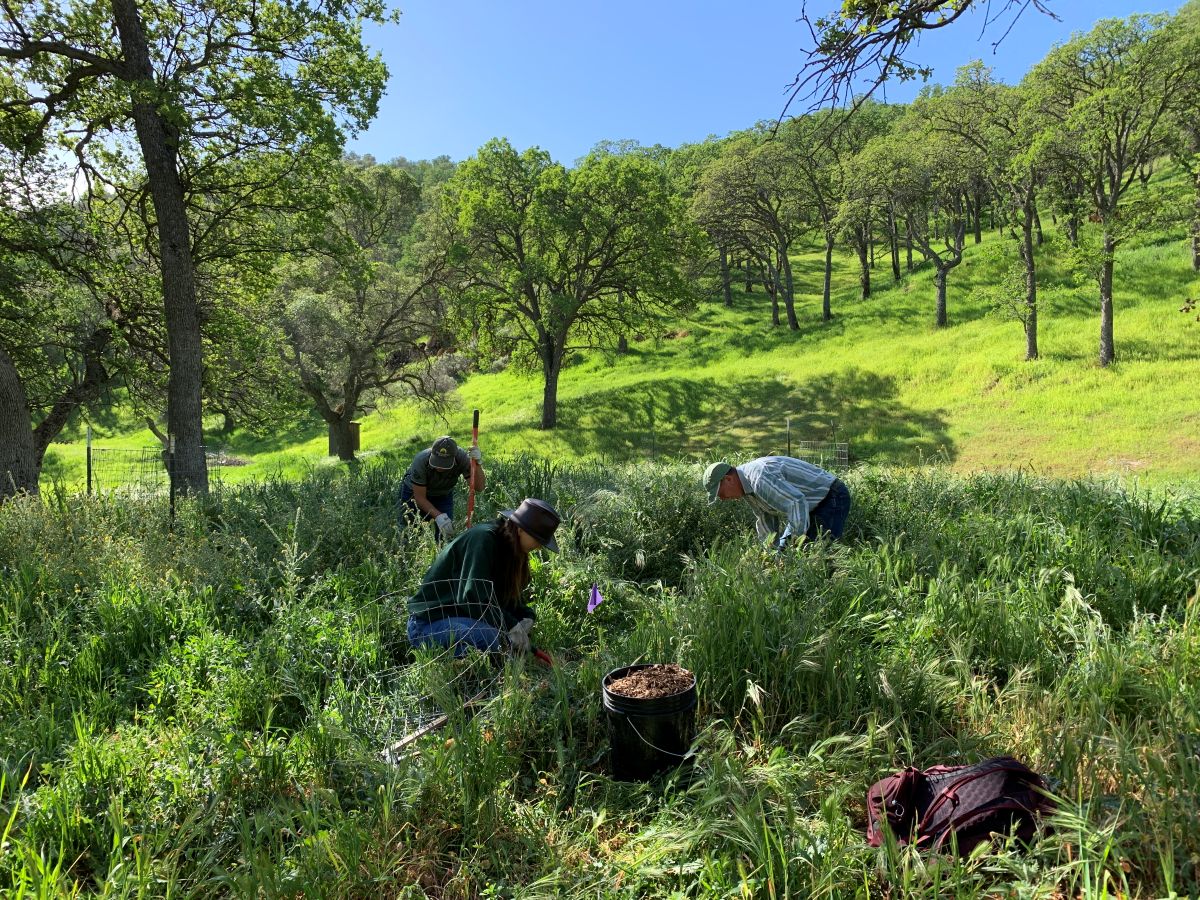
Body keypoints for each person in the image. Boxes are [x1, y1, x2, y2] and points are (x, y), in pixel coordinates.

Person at [406, 498, 561, 657]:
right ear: (521, 529)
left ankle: (486, 662)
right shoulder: (483, 539)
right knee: (491, 639)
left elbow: (506, 600)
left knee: (496, 641)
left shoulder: (511, 550)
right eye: (538, 539)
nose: (540, 546)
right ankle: (455, 668)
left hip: (459, 619)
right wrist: (510, 625)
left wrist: (525, 617)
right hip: (428, 624)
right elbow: (473, 598)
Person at [704, 456, 851, 549]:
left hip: (831, 496)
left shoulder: (759, 479)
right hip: (808, 506)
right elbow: (764, 516)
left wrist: (794, 543)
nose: (722, 498)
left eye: (720, 493)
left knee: (820, 555)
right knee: (783, 554)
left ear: (728, 479)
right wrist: (769, 552)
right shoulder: (746, 489)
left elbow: (796, 503)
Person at [399, 435, 486, 540]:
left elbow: (479, 487)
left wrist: (477, 465)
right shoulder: (421, 460)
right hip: (413, 493)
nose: (439, 467)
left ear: (453, 458)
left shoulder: (462, 458)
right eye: (437, 462)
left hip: (443, 495)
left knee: (446, 535)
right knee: (411, 532)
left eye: (444, 464)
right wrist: (438, 516)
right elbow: (420, 498)